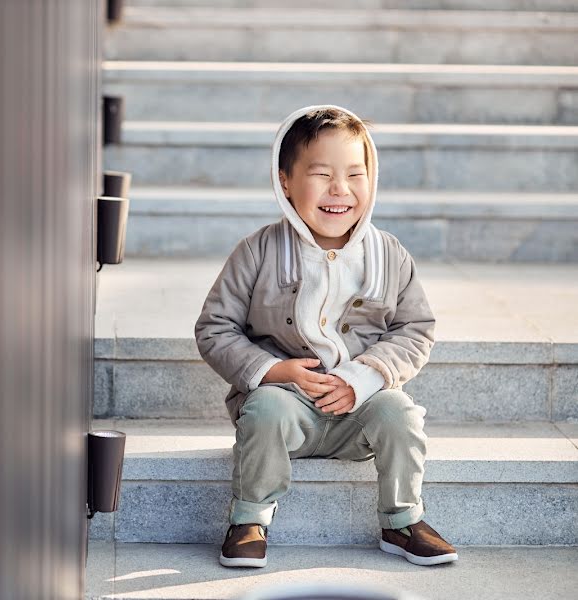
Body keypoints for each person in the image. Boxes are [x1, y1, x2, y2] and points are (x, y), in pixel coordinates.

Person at [194, 105, 458, 568]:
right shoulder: (259, 251)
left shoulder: (387, 253)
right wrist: (273, 370)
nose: (340, 189)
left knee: (401, 413)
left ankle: (402, 520)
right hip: (284, 410)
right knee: (267, 407)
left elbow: (416, 329)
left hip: (361, 415)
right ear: (285, 182)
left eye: (355, 174)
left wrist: (366, 376)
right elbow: (215, 328)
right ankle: (250, 517)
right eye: (321, 174)